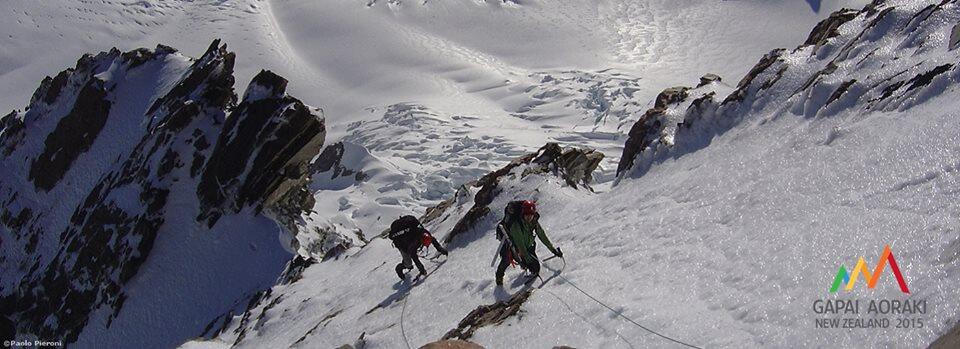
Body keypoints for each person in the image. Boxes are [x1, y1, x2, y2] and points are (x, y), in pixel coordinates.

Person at [494, 200, 562, 286]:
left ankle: (525, 267)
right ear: (523, 214)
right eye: (527, 215)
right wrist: (527, 260)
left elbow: (542, 236)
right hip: (513, 247)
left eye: (531, 215)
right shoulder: (516, 226)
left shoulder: (534, 222)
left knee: (535, 268)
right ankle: (499, 276)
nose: (529, 217)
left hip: (528, 246)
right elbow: (520, 244)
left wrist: (553, 250)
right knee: (506, 260)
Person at [388, 215, 447, 280]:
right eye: (426, 244)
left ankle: (406, 262)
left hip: (407, 239)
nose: (426, 245)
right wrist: (422, 269)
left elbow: (432, 239)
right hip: (401, 244)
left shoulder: (424, 233)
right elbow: (414, 256)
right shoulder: (414, 242)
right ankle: (399, 269)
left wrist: (441, 249)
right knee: (408, 264)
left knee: (410, 255)